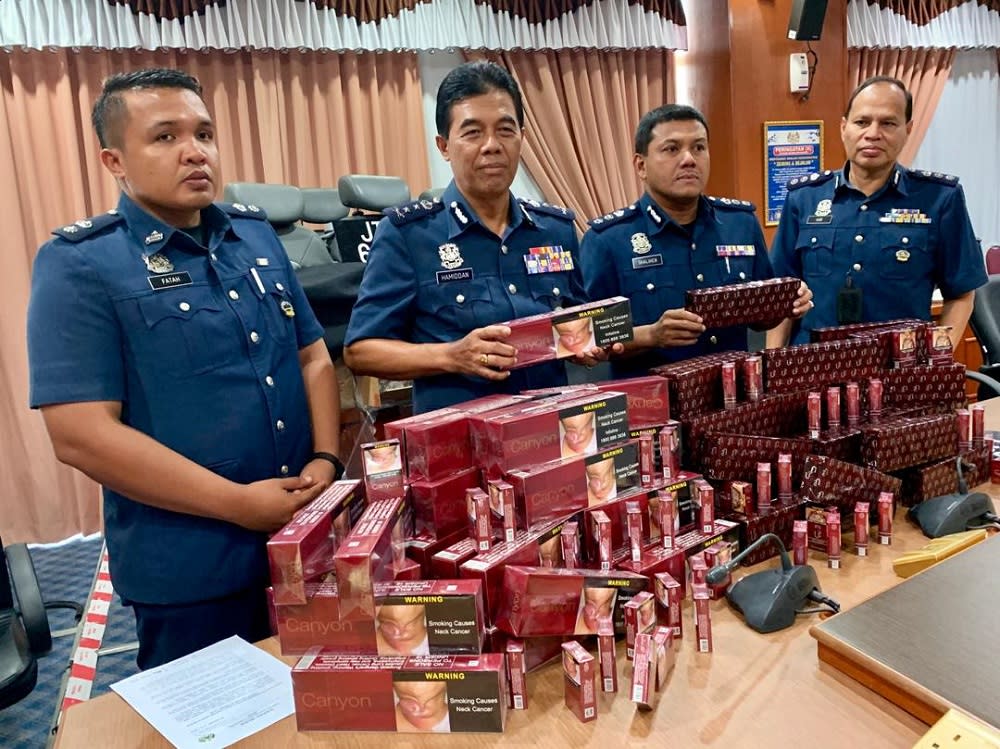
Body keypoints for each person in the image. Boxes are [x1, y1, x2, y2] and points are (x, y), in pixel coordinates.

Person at [26, 69, 343, 669]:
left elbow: (311, 354)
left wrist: (325, 459)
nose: (195, 151)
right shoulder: (81, 265)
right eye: (165, 137)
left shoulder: (255, 238)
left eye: (204, 133)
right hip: (191, 564)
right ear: (114, 160)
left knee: (324, 702)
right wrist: (236, 504)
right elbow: (81, 435)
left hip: (303, 535)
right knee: (213, 727)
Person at [343, 61, 611, 414]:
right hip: (458, 444)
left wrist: (589, 342)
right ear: (444, 145)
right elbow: (360, 351)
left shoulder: (554, 229)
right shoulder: (410, 235)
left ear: (522, 138)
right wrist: (451, 356)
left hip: (549, 433)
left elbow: (577, 316)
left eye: (505, 130)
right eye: (472, 133)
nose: (491, 145)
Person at [580, 104, 812, 376]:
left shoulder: (740, 224)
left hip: (734, 398)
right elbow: (586, 338)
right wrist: (650, 335)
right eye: (672, 149)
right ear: (641, 165)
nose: (689, 159)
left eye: (699, 148)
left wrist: (789, 302)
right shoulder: (608, 239)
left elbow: (761, 319)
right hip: (653, 405)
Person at [767, 76, 987, 348]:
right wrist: (772, 367)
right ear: (843, 127)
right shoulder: (804, 198)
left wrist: (936, 360)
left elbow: (962, 293)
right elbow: (781, 297)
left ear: (908, 130)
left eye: (888, 123)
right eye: (862, 122)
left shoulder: (940, 199)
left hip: (899, 371)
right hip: (816, 368)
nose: (872, 133)